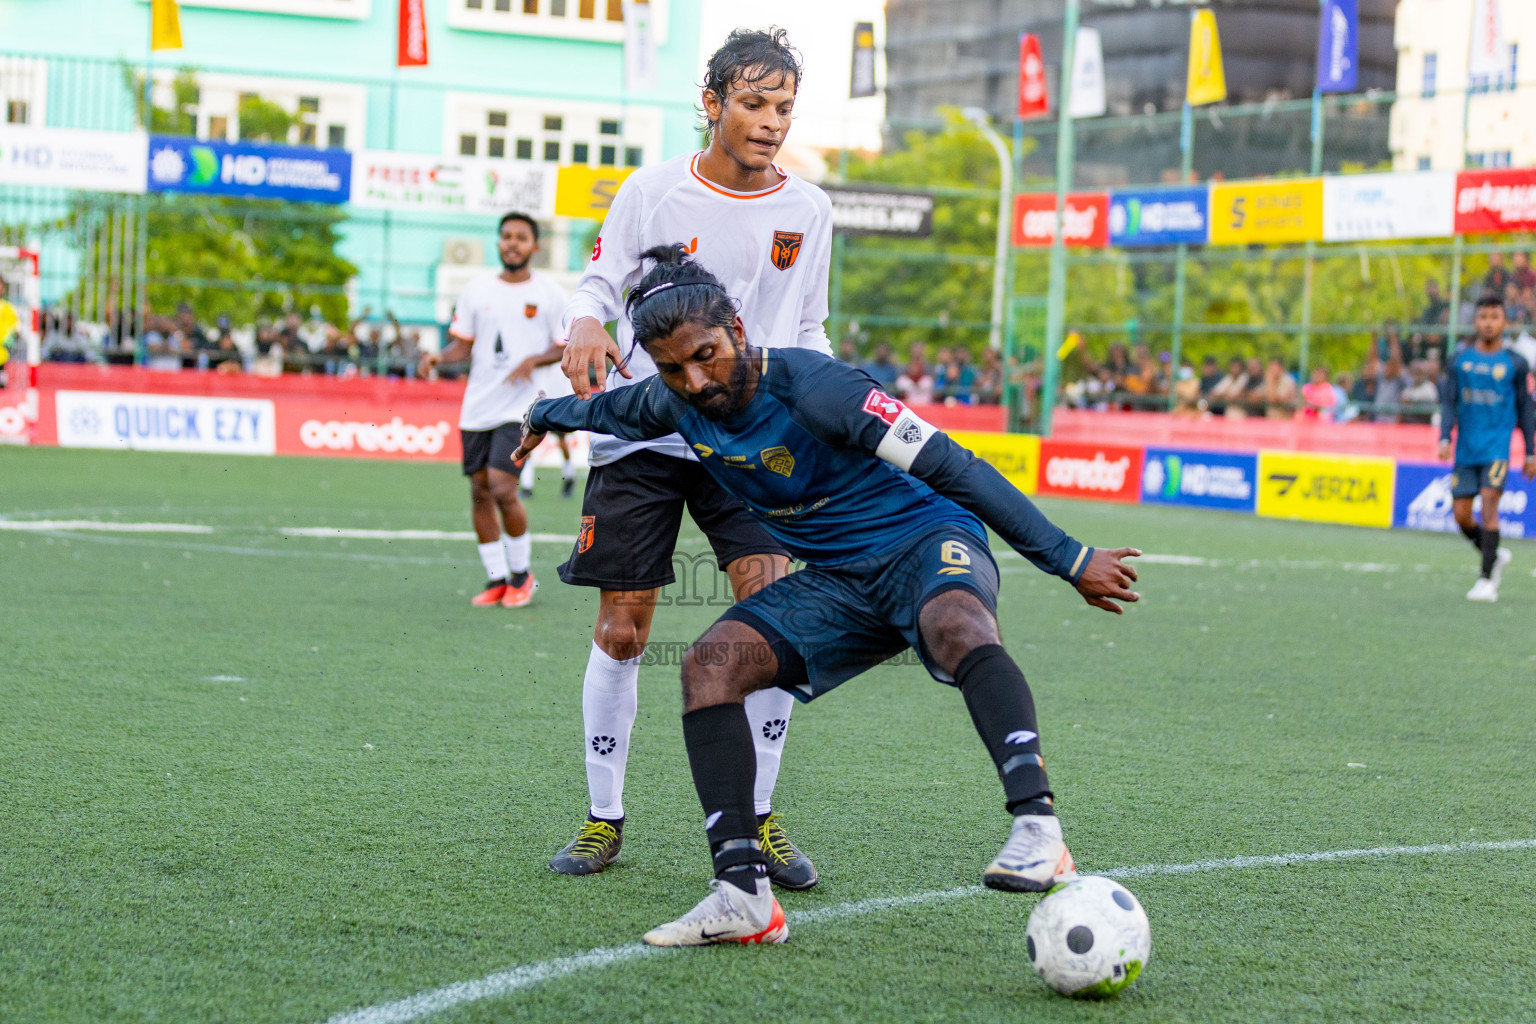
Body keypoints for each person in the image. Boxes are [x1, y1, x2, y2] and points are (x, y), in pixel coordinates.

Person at [517, 245, 1141, 946]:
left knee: (956, 625)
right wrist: (543, 413)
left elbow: (953, 465)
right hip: (839, 582)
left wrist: (1069, 557)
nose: (694, 380)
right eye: (673, 368)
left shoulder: (819, 388)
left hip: (924, 539)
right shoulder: (671, 401)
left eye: (707, 355)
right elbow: (609, 412)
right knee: (710, 666)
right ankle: (741, 896)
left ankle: (1037, 827)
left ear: (740, 332)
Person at [548, 28, 829, 885]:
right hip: (643, 430)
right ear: (712, 104)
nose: (771, 121)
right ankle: (604, 818)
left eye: (783, 106)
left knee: (776, 620)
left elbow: (806, 326)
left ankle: (761, 816)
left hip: (750, 438)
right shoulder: (652, 189)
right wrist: (587, 320)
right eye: (753, 103)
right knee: (625, 627)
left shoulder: (808, 209)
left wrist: (828, 406)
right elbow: (598, 284)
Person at [417, 211, 565, 609]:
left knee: (502, 486)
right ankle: (498, 579)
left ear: (534, 246)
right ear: (499, 243)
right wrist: (438, 357)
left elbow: (565, 344)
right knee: (479, 491)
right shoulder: (476, 290)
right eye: (506, 236)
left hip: (522, 407)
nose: (512, 243)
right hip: (478, 405)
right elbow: (461, 346)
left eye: (520, 237)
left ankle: (522, 575)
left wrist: (532, 360)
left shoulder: (550, 293)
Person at [1439, 295, 1535, 602]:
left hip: (1497, 447)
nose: (1488, 322)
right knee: (1461, 516)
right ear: (1475, 321)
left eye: (1495, 316)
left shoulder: (1516, 363)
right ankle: (1493, 553)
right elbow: (1448, 402)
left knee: (1490, 501)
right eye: (1483, 317)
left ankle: (1486, 581)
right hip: (1466, 449)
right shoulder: (1459, 360)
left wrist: (1530, 451)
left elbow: (1525, 408)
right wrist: (1444, 437)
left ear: (1504, 322)